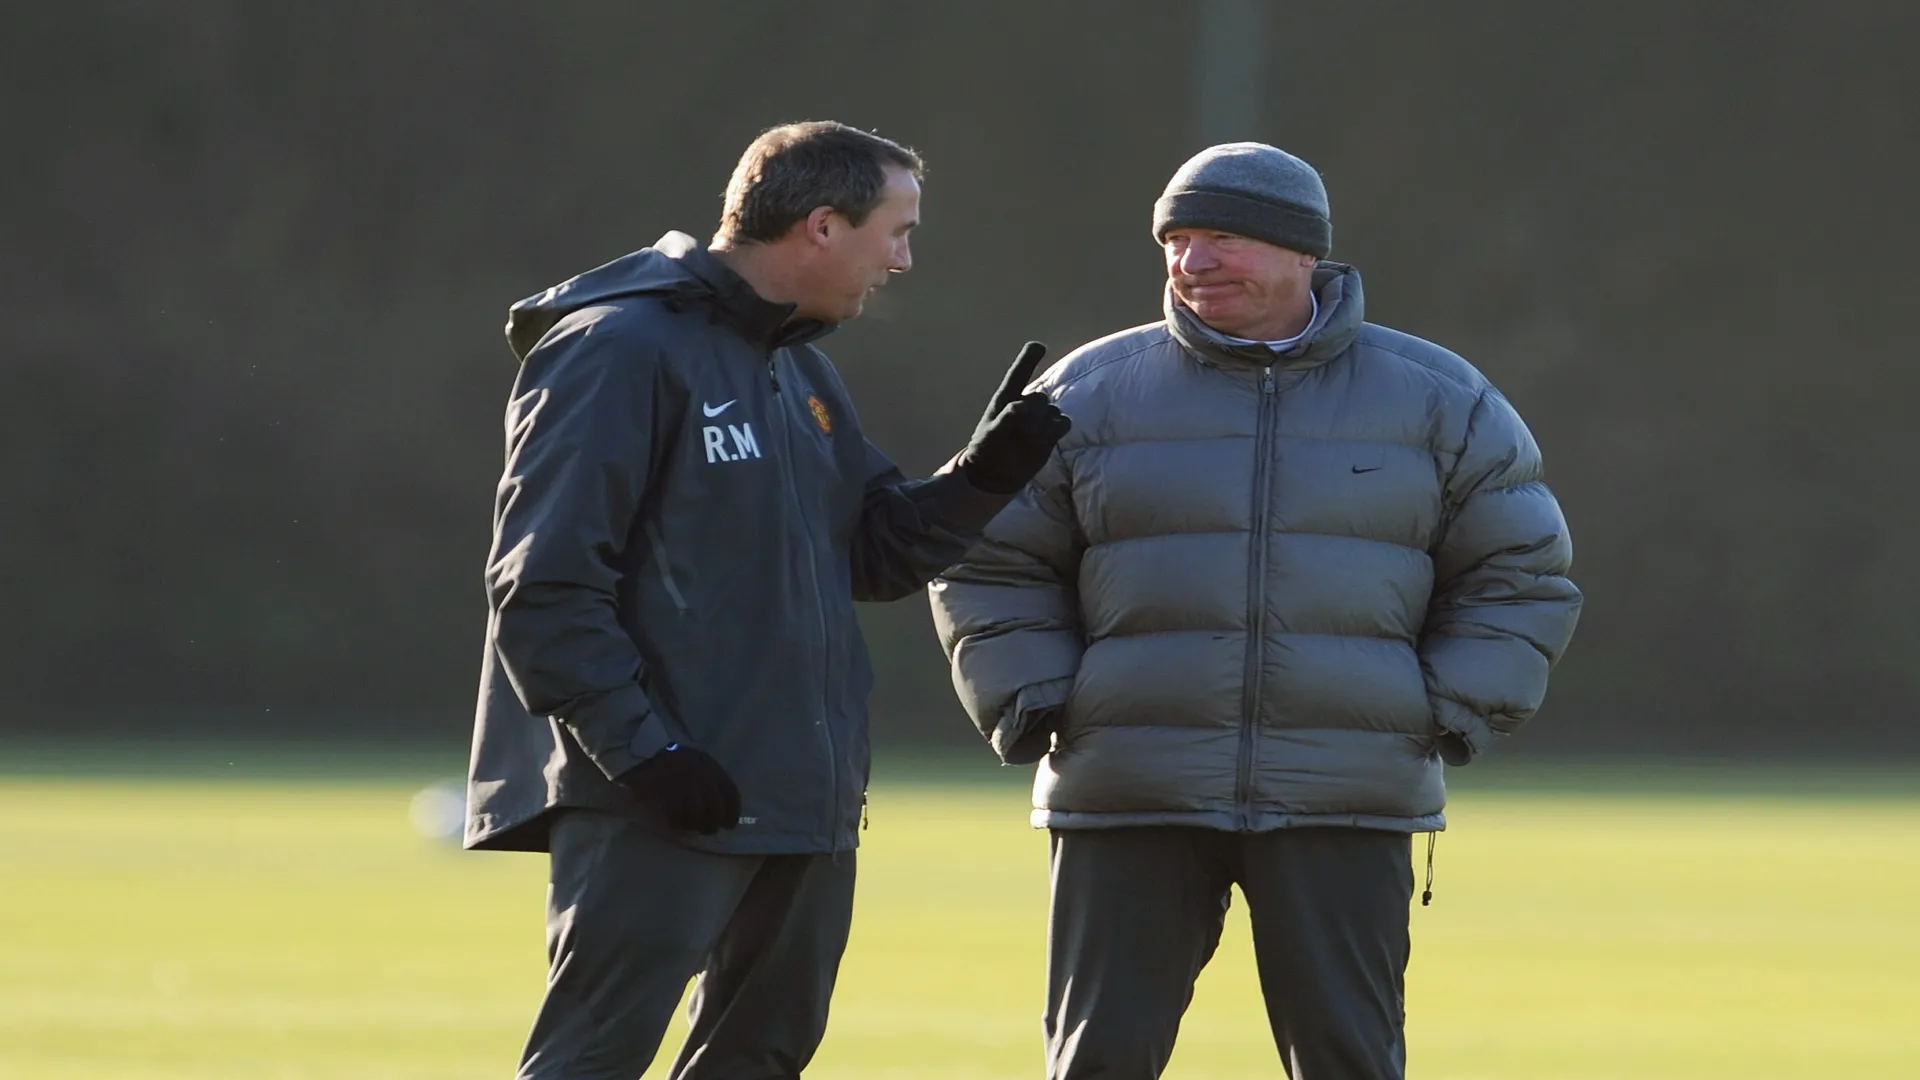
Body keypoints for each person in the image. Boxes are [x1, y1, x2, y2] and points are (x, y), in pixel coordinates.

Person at [929, 142, 1582, 1079]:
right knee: (1098, 1062)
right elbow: (985, 555)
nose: (1193, 262)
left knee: (1349, 1061)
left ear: (1303, 252)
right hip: (1129, 790)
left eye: (1222, 237)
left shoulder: (1442, 399)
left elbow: (1523, 570)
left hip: (1345, 796)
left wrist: (1441, 710)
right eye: (1177, 239)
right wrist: (1036, 698)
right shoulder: (1083, 393)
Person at [465, 120, 1070, 1080]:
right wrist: (645, 752)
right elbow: (543, 586)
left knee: (763, 1058)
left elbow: (874, 556)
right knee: (591, 1059)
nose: (904, 260)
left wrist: (982, 477)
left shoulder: (801, 369)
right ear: (823, 227)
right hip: (661, 793)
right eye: (897, 231)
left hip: (803, 801)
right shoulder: (616, 348)